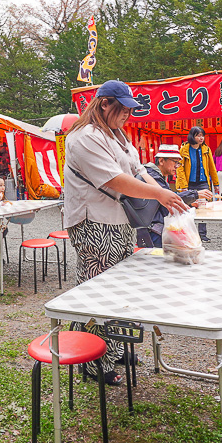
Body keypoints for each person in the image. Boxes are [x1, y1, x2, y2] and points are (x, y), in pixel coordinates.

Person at [64, 80, 186, 384]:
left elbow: (138, 169)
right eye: (122, 109)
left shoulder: (116, 135)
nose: (127, 116)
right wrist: (159, 196)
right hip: (94, 222)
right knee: (97, 290)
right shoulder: (84, 137)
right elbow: (115, 179)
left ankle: (114, 348)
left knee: (118, 288)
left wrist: (164, 193)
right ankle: (94, 363)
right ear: (104, 103)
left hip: (117, 222)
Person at [141, 144, 210, 248]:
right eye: (175, 162)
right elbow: (169, 198)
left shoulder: (154, 174)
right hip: (152, 229)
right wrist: (195, 194)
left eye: (178, 163)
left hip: (151, 228)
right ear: (161, 161)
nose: (177, 166)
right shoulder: (152, 175)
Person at [177, 126, 219, 242]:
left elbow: (212, 167)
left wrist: (216, 183)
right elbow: (179, 169)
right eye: (198, 135)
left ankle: (202, 234)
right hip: (188, 184)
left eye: (202, 135)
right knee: (187, 208)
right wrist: (183, 185)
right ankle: (188, 233)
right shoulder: (184, 150)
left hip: (203, 183)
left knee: (203, 208)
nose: (201, 138)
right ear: (192, 136)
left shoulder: (206, 149)